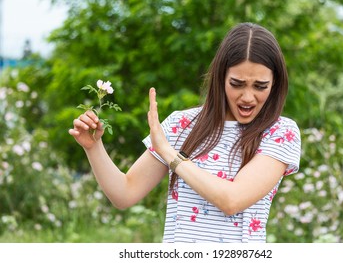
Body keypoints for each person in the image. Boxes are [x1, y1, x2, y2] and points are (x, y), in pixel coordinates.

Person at [69, 22, 301, 243]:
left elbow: (232, 200)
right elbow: (124, 193)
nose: (248, 97)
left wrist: (170, 155)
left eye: (260, 86)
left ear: (275, 84)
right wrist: (93, 147)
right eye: (237, 84)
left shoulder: (281, 132)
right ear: (221, 78)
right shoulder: (182, 124)